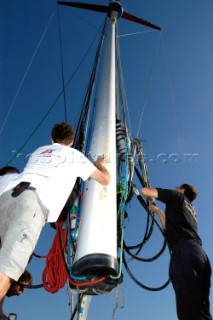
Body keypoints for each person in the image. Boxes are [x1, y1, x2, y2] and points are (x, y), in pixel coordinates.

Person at [0, 121, 110, 304]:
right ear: (72, 140)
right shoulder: (74, 155)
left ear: (52, 139)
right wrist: (99, 164)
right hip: (31, 204)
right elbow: (104, 179)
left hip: (7, 197)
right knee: (7, 268)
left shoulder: (39, 151)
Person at [142, 184, 212, 320]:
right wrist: (157, 210)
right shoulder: (190, 210)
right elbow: (169, 227)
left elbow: (145, 191)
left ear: (182, 190)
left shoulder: (177, 196)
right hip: (199, 254)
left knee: (189, 311)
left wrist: (151, 196)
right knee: (201, 311)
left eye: (177, 187)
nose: (175, 188)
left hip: (184, 252)